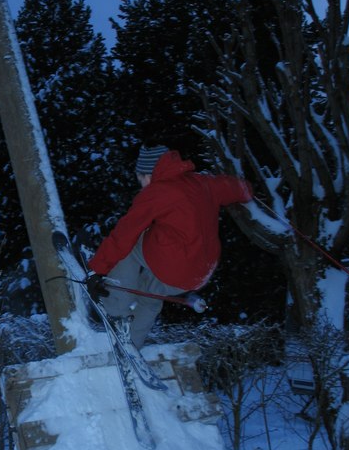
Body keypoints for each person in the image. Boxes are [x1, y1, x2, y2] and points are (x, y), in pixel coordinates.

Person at [87, 144, 253, 348]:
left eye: (141, 178)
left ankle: (116, 309)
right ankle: (131, 345)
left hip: (175, 265)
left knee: (130, 243)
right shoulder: (203, 182)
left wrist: (96, 270)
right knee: (151, 294)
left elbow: (122, 235)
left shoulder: (157, 192)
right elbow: (236, 187)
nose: (142, 185)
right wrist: (247, 190)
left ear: (150, 173)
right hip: (200, 273)